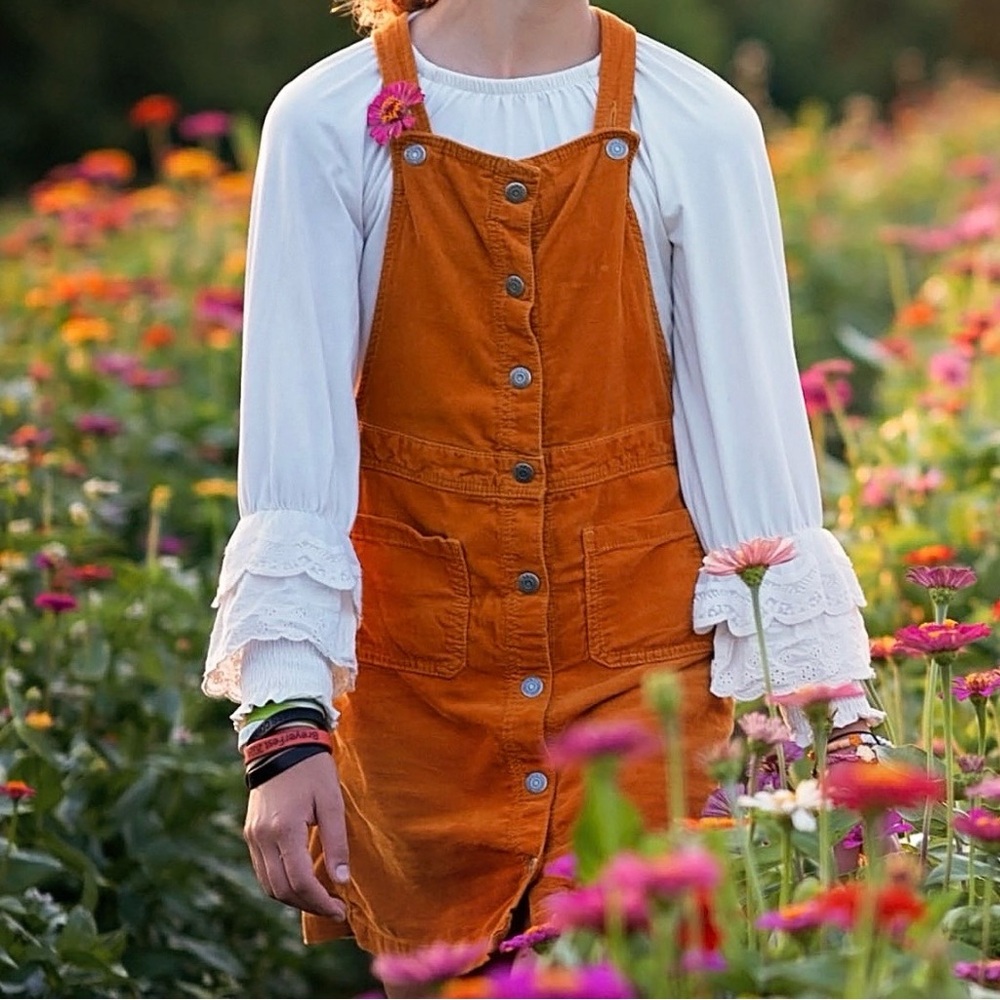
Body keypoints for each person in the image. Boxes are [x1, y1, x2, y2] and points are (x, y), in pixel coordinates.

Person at [202, 0, 883, 973]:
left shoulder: (697, 121)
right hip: (421, 719)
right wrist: (284, 722)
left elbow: (755, 457)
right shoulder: (325, 120)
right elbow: (294, 456)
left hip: (646, 691)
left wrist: (829, 727)